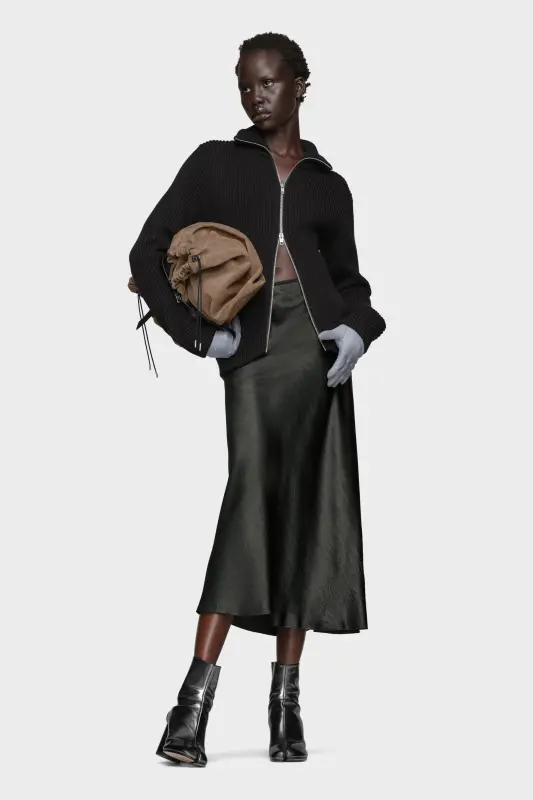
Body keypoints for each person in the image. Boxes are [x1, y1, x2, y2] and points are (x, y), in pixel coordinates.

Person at [129, 32, 386, 767]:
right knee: (248, 497)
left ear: (301, 84)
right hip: (250, 350)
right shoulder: (214, 162)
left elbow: (351, 283)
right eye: (245, 83)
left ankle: (285, 705)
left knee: (303, 508)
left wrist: (359, 331)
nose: (255, 95)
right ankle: (191, 704)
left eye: (268, 82)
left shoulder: (327, 184)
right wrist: (199, 338)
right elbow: (145, 253)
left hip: (316, 355)